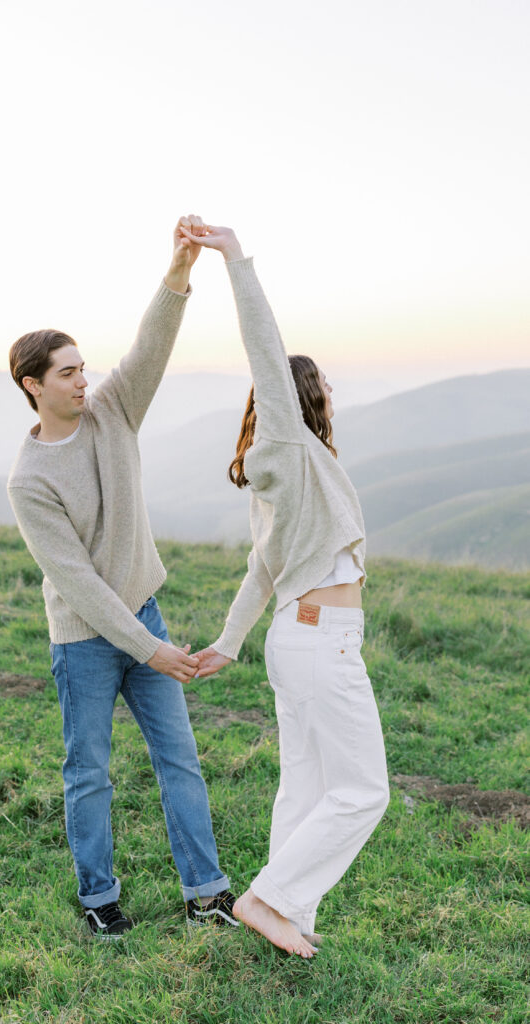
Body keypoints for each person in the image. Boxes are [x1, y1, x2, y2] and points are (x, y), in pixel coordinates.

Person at [6, 216, 238, 939]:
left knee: (180, 762)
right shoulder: (28, 481)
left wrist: (178, 270)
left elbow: (150, 348)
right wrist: (149, 649)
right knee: (89, 774)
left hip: (146, 617)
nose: (85, 380)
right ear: (33, 386)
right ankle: (99, 900)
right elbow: (76, 582)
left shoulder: (113, 412)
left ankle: (207, 894)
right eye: (68, 372)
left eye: (83, 367)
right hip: (85, 640)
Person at [181, 223, 390, 958]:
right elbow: (265, 349)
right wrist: (237, 258)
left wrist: (227, 643)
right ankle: (269, 898)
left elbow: (259, 568)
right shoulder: (286, 444)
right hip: (317, 642)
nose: (332, 390)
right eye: (324, 382)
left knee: (303, 788)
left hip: (297, 639)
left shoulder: (290, 474)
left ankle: (286, 914)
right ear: (302, 393)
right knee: (364, 790)